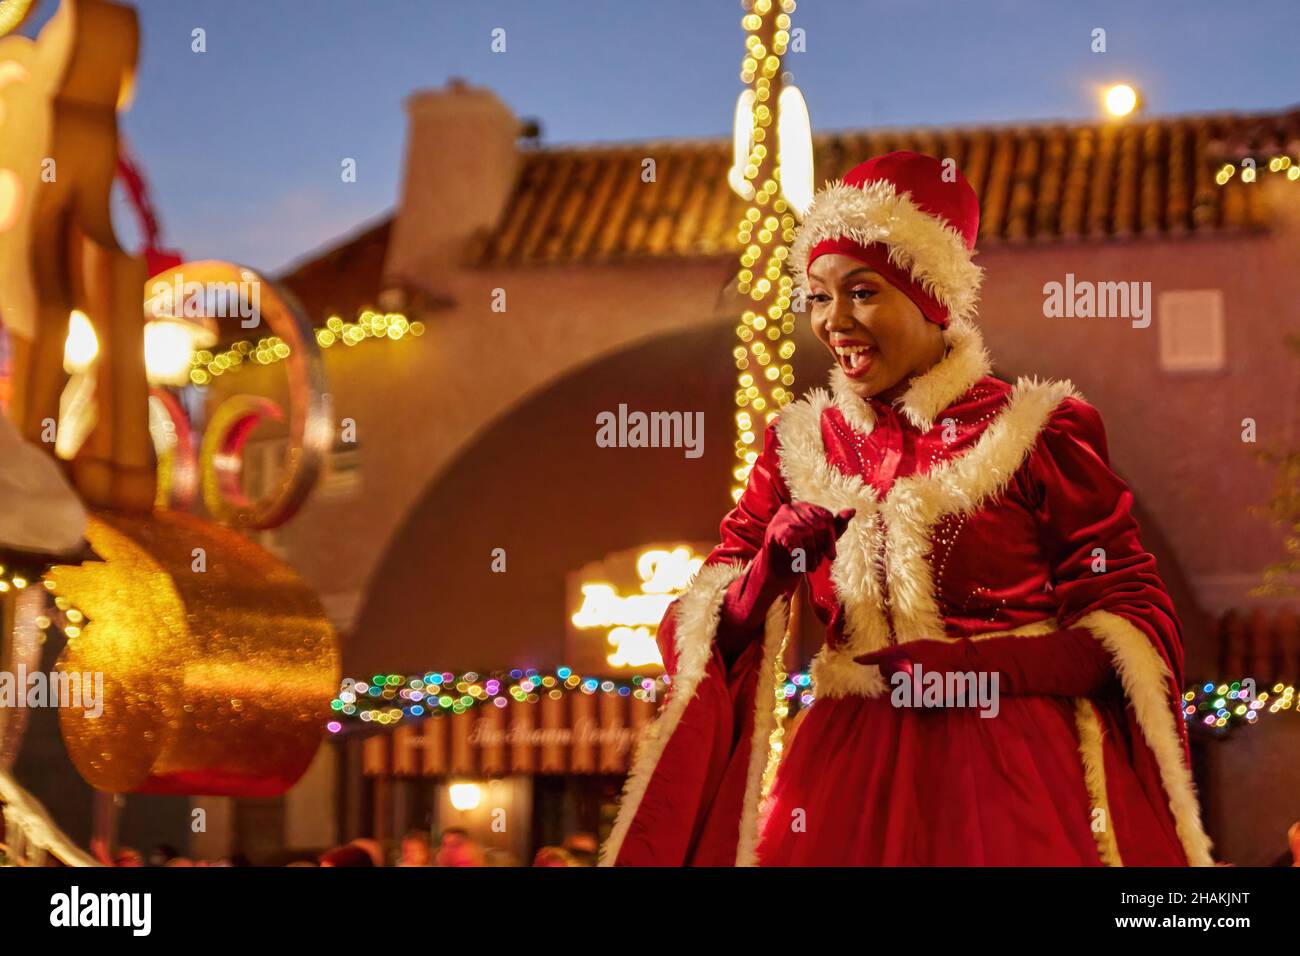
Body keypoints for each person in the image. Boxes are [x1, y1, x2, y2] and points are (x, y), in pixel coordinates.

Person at [601, 151, 1215, 867]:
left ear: (933, 297)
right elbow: (701, 625)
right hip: (839, 772)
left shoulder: (1039, 430)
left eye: (862, 292)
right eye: (819, 297)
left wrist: (983, 673)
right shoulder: (799, 444)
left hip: (1011, 775)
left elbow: (1130, 624)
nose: (834, 322)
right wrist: (766, 569)